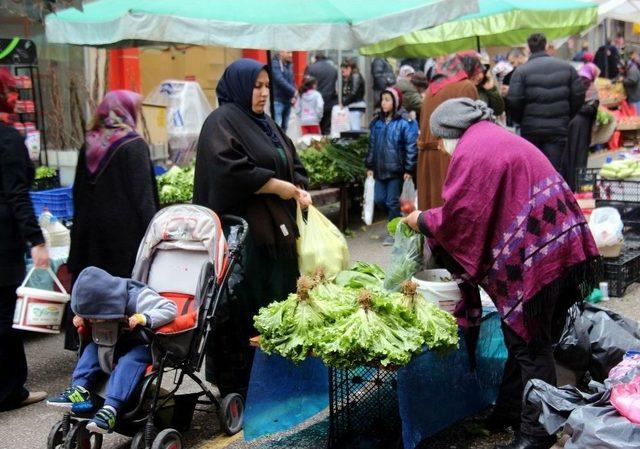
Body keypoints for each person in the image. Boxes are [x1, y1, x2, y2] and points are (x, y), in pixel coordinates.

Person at [405, 98, 601, 449]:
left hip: (545, 249)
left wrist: (420, 220)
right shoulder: (490, 136)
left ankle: (537, 433)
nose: (444, 150)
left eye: (440, 141)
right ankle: (512, 410)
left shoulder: (473, 149)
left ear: (449, 133)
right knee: (519, 334)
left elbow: (461, 217)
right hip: (560, 240)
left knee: (531, 344)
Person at [193, 59, 311, 397]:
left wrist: (298, 186)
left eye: (266, 87)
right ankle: (241, 384)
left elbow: (290, 160)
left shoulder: (266, 123)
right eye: (256, 87)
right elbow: (228, 172)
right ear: (240, 87)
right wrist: (277, 187)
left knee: (278, 306)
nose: (262, 93)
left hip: (276, 239)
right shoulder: (221, 122)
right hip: (243, 242)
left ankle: (276, 375)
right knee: (245, 312)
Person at [67, 90, 159, 349]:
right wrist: (155, 238)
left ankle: (91, 349)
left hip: (90, 239)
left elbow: (77, 193)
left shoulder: (90, 143)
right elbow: (144, 199)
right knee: (123, 300)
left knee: (94, 295)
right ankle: (125, 363)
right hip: (123, 240)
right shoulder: (133, 145)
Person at [47, 267, 178, 433]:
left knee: (129, 361)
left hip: (145, 345)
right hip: (114, 340)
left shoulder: (138, 297)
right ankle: (80, 389)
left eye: (94, 317)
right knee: (92, 349)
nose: (91, 320)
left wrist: (143, 317)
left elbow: (170, 308)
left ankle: (111, 409)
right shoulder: (98, 308)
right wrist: (82, 318)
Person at [0, 67, 49, 411]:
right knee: (5, 315)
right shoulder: (7, 138)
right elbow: (17, 195)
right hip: (3, 241)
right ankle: (9, 390)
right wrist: (36, 240)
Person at [507, 33, 585, 172]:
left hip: (530, 129)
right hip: (558, 129)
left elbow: (514, 100)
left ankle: (535, 194)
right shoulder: (566, 68)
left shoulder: (521, 72)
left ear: (529, 48)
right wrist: (566, 116)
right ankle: (554, 194)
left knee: (533, 171)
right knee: (553, 170)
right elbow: (579, 95)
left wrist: (522, 120)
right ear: (546, 45)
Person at [416, 51, 480, 211]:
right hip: (449, 158)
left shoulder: (433, 87)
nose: (480, 73)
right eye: (478, 68)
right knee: (450, 215)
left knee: (431, 213)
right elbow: (473, 132)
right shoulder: (465, 87)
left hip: (427, 160)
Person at [365, 87, 418, 246]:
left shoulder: (405, 122)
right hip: (379, 170)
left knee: (392, 202)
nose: (384, 103)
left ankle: (395, 232)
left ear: (396, 102)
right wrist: (370, 166)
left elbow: (411, 146)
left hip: (396, 170)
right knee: (380, 199)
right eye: (383, 99)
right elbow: (372, 145)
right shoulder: (377, 122)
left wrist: (409, 169)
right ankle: (398, 222)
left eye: (387, 100)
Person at [305, 52, 338, 135]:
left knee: (314, 130)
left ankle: (315, 146)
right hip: (329, 102)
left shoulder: (311, 68)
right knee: (326, 129)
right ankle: (325, 146)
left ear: (315, 58)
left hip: (313, 105)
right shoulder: (333, 69)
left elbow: (305, 84)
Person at [270, 50, 296, 132]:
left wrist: (293, 96)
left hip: (287, 100)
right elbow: (279, 80)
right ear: (280, 52)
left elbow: (292, 81)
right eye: (288, 52)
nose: (290, 55)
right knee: (277, 127)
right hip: (277, 100)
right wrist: (293, 91)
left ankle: (284, 144)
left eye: (291, 52)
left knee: (284, 128)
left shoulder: (288, 65)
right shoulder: (275, 64)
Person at [341, 59, 366, 131]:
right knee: (353, 128)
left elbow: (353, 92)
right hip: (354, 105)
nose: (342, 74)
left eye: (343, 71)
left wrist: (344, 103)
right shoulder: (353, 77)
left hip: (355, 105)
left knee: (354, 129)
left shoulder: (355, 76)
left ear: (349, 68)